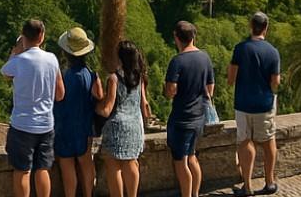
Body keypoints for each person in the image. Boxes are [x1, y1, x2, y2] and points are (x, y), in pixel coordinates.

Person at [2, 18, 66, 197]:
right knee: (43, 169)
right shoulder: (52, 59)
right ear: (42, 36)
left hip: (22, 125)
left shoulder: (18, 61)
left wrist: (16, 50)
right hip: (46, 124)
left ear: (23, 36)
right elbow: (60, 94)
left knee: (22, 171)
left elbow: (6, 74)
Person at [229, 12, 282, 196]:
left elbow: (230, 78)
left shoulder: (240, 49)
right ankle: (269, 182)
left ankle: (248, 185)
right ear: (266, 28)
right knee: (268, 142)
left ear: (251, 26)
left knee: (245, 141)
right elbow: (275, 82)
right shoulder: (273, 52)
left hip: (243, 103)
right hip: (264, 104)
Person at [165, 20, 215, 197]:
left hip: (182, 117)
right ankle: (195, 193)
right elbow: (210, 89)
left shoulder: (177, 61)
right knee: (192, 157)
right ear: (193, 37)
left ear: (176, 37)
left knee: (181, 161)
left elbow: (170, 91)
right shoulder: (205, 57)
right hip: (199, 116)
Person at [97, 41, 152, 197]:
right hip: (135, 126)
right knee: (131, 163)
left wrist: (95, 105)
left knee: (113, 166)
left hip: (117, 126)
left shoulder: (114, 78)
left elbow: (107, 109)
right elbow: (143, 104)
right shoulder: (139, 77)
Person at [54, 28, 104, 197]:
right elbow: (100, 96)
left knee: (67, 164)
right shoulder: (90, 74)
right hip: (84, 125)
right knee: (86, 162)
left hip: (64, 125)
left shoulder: (62, 75)